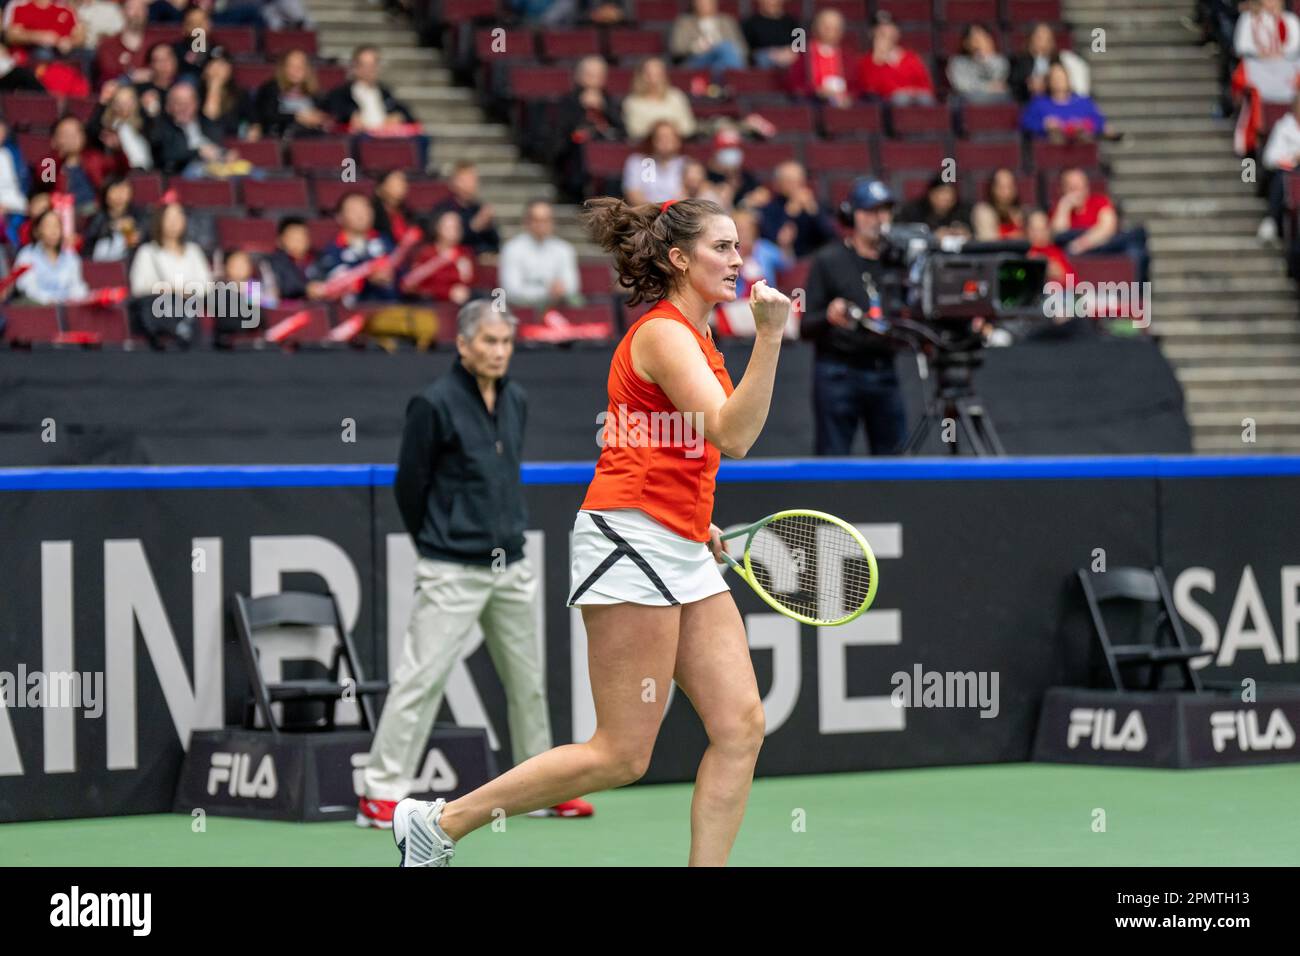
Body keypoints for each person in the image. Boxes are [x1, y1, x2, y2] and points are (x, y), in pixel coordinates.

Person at [389, 196, 790, 868]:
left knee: (740, 724)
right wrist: (772, 337)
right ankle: (438, 823)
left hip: (681, 542)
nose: (736, 258)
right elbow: (733, 433)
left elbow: (676, 444)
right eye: (721, 247)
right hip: (630, 544)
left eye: (737, 245)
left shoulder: (699, 338)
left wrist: (698, 519)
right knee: (622, 753)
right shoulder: (663, 334)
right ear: (679, 258)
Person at [358, 298, 595, 831]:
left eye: (506, 342)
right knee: (421, 678)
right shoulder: (433, 403)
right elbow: (408, 486)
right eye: (488, 341)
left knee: (528, 683)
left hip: (512, 563)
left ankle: (540, 787)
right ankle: (379, 792)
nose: (498, 351)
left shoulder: (517, 400)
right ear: (463, 345)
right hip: (451, 569)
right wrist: (438, 542)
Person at [802, 177, 907, 456]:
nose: (879, 219)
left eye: (884, 211)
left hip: (883, 368)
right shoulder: (829, 260)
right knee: (832, 458)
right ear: (853, 215)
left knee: (894, 460)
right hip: (838, 371)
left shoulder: (898, 261)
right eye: (871, 211)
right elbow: (805, 326)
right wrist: (828, 314)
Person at [498, 199, 580, 308]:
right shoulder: (512, 249)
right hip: (521, 312)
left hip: (559, 310)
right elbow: (511, 291)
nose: (541, 225)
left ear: (552, 222)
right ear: (526, 222)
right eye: (536, 220)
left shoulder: (564, 249)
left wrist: (559, 290)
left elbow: (572, 286)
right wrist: (547, 292)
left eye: (546, 220)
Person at [857, 11, 935, 105]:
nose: (886, 33)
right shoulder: (867, 61)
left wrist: (911, 91)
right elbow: (870, 89)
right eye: (881, 30)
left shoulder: (911, 57)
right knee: (900, 99)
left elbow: (926, 86)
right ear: (873, 33)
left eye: (890, 28)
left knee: (924, 99)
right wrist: (879, 59)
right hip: (887, 105)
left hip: (916, 101)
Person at [786, 8, 858, 108]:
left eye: (836, 27)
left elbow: (856, 85)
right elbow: (795, 85)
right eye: (827, 27)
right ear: (816, 27)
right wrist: (817, 91)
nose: (832, 31)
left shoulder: (848, 56)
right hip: (813, 104)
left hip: (843, 105)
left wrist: (849, 96)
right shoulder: (803, 54)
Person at [13, 209, 88, 304]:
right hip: (37, 310)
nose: (53, 231)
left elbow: (77, 286)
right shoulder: (27, 255)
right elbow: (26, 287)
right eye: (48, 226)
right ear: (37, 230)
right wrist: (49, 300)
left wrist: (75, 299)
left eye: (56, 226)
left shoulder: (71, 256)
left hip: (67, 308)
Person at [1020, 62, 1107, 142]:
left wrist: (1084, 125)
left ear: (1068, 80)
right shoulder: (1038, 103)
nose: (1058, 81)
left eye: (1061, 77)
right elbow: (1026, 123)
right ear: (1048, 82)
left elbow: (1099, 121)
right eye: (1055, 78)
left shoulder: (1083, 102)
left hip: (1081, 146)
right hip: (1050, 148)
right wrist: (1045, 125)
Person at [252, 49, 328, 139]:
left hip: (309, 137)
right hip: (280, 137)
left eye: (301, 66)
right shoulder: (271, 88)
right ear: (283, 68)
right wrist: (296, 117)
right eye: (291, 66)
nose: (297, 70)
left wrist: (319, 118)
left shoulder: (314, 93)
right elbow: (267, 116)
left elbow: (323, 113)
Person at [669, 0, 747, 82]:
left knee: (723, 53)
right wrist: (695, 47)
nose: (704, 5)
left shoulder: (727, 21)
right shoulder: (684, 23)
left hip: (722, 60)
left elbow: (742, 48)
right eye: (701, 3)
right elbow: (677, 49)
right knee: (725, 48)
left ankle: (726, 82)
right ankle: (738, 81)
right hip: (698, 60)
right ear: (694, 4)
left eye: (708, 2)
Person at [622, 56, 696, 141]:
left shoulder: (676, 96)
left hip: (678, 148)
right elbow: (635, 131)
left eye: (658, 74)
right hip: (644, 150)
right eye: (649, 74)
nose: (654, 79)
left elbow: (688, 128)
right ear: (640, 76)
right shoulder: (632, 102)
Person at [622, 120, 686, 206]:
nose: (665, 142)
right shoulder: (637, 162)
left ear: (678, 141)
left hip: (677, 216)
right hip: (645, 215)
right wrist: (658, 211)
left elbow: (691, 196)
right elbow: (633, 196)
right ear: (652, 140)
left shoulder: (686, 163)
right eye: (660, 138)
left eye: (669, 137)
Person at [897, 172, 973, 241]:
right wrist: (932, 235)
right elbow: (900, 233)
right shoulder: (913, 211)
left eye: (950, 195)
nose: (947, 199)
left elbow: (973, 235)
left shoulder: (963, 211)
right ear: (931, 194)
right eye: (942, 194)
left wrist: (963, 233)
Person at [946, 23, 1010, 103]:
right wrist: (987, 87)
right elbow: (961, 86)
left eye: (982, 38)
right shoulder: (957, 62)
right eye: (974, 39)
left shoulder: (1000, 61)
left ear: (990, 40)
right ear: (966, 43)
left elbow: (998, 83)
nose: (978, 42)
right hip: (968, 100)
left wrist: (985, 60)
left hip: (994, 99)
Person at [971, 166, 1026, 240]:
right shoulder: (983, 211)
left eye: (1009, 187)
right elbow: (989, 241)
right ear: (992, 189)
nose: (1006, 192)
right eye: (1001, 187)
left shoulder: (1020, 213)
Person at [743, 0, 799, 70]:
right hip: (763, 57)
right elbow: (746, 50)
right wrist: (771, 54)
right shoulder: (750, 22)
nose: (771, 2)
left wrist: (787, 51)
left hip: (787, 56)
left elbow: (801, 46)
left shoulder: (792, 21)